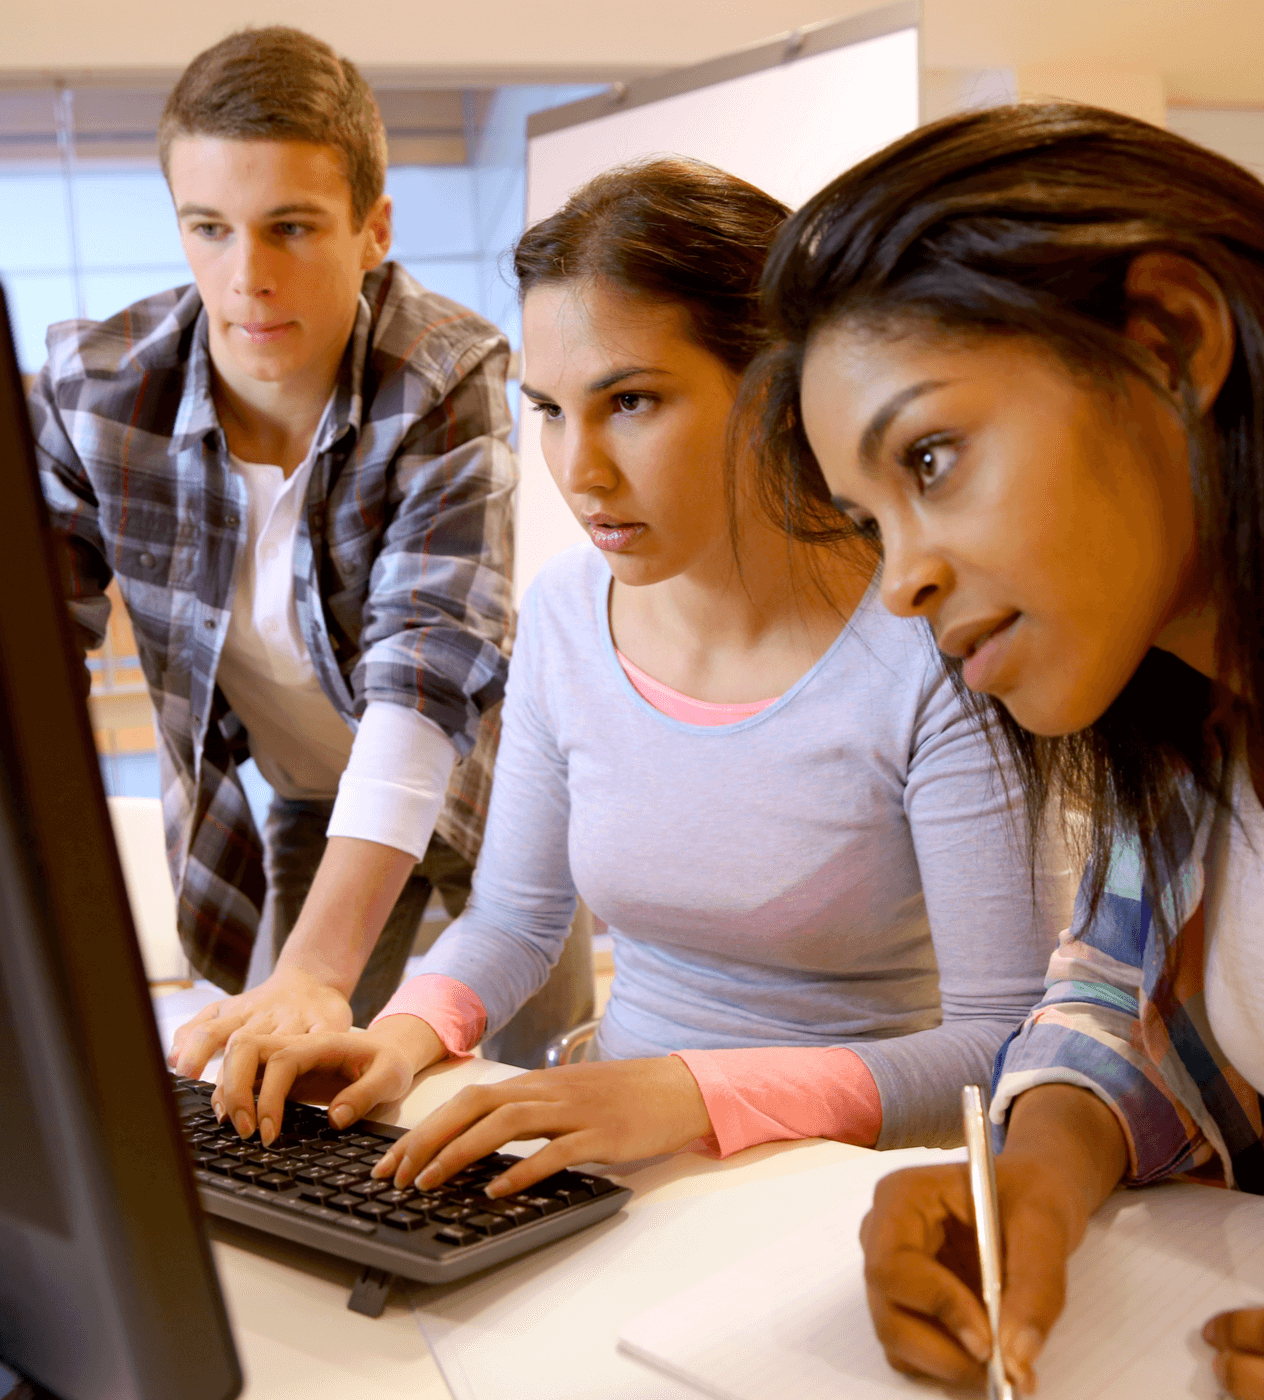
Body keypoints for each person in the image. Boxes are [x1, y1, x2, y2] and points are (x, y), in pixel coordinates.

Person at [214, 156, 1069, 1201]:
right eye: (551, 410)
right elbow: (515, 923)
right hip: (608, 1156)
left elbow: (1003, 1043)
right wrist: (399, 1036)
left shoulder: (935, 644)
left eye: (630, 401)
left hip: (849, 1193)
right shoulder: (571, 616)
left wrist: (687, 1093)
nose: (579, 471)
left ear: (775, 385)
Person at [752, 100, 1264, 1399]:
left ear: (1170, 341)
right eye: (871, 523)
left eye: (931, 457)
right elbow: (1124, 1001)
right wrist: (1034, 1174)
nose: (901, 586)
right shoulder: (1188, 743)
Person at [32, 25, 589, 1068]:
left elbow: (427, 666)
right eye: (209, 227)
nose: (246, 276)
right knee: (270, 1081)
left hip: (490, 793)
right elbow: (31, 668)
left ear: (372, 227)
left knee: (519, 1092)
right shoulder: (95, 390)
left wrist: (321, 968)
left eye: (290, 227)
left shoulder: (442, 373)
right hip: (307, 794)